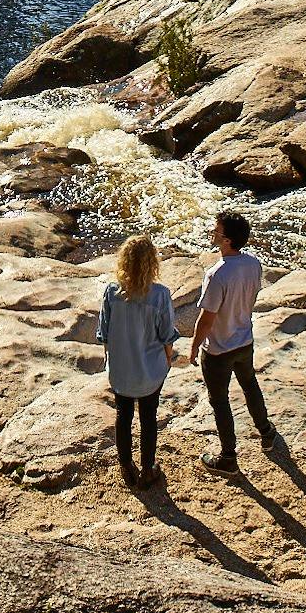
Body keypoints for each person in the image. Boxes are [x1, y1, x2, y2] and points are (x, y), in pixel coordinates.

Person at [189, 210, 278, 473]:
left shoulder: (217, 274)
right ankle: (266, 431)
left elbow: (207, 319)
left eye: (217, 230)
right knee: (250, 385)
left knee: (220, 401)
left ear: (226, 240)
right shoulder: (253, 264)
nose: (213, 232)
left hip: (218, 348)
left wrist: (194, 346)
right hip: (244, 341)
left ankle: (228, 457)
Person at [96, 234, 177, 489]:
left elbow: (104, 333)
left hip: (121, 371)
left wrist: (113, 359)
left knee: (123, 415)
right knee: (148, 417)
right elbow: (166, 335)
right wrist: (167, 359)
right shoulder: (160, 295)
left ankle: (126, 466)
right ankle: (147, 469)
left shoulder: (112, 292)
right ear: (151, 263)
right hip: (149, 371)